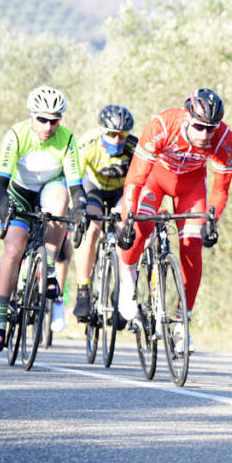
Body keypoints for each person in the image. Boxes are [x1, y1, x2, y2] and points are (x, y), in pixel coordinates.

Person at [115, 88, 232, 352]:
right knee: (140, 226)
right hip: (155, 180)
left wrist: (212, 221)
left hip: (191, 188)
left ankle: (182, 322)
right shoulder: (162, 126)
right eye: (200, 127)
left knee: (192, 248)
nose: (205, 136)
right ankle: (129, 276)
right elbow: (135, 180)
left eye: (211, 129)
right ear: (186, 117)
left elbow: (220, 190)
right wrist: (127, 221)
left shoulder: (224, 139)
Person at [0, 86, 87, 351]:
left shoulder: (66, 139)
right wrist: (4, 202)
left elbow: (76, 185)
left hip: (49, 188)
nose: (48, 125)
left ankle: (50, 268)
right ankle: (0, 316)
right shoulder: (17, 135)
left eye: (55, 120)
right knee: (13, 248)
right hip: (19, 193)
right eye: (42, 119)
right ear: (32, 116)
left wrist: (80, 207)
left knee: (61, 201)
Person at [71, 104, 137, 322]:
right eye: (111, 134)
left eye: (121, 135)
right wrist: (77, 208)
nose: (116, 140)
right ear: (100, 130)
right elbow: (75, 180)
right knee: (93, 228)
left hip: (120, 191)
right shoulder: (87, 144)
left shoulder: (134, 147)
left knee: (123, 235)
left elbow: (142, 181)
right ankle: (83, 290)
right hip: (94, 188)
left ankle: (120, 293)